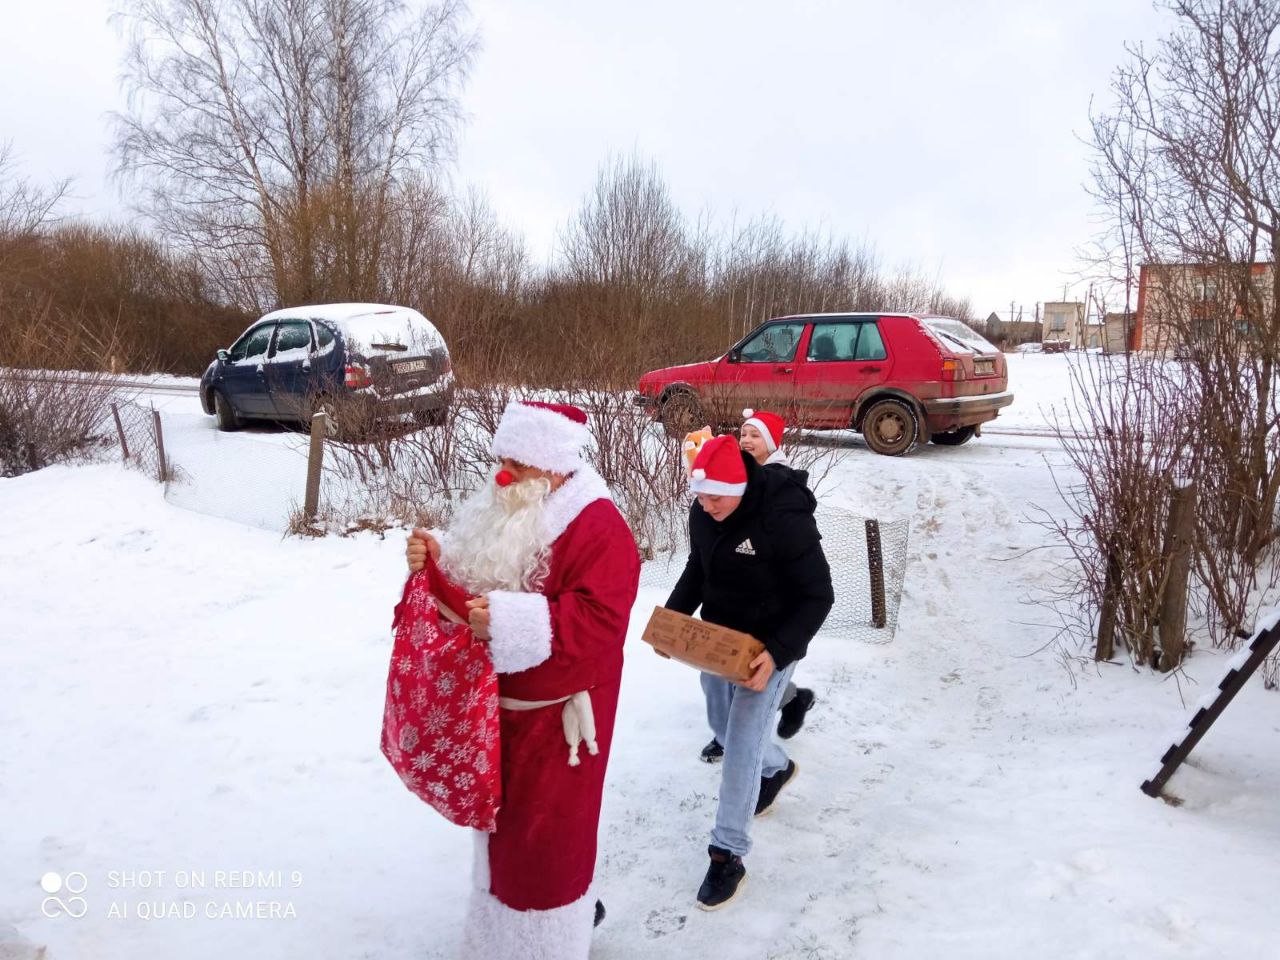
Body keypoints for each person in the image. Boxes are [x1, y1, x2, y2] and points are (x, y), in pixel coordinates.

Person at [404, 400, 640, 959]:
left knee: (547, 850)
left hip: (561, 726)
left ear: (553, 465)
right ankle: (496, 943)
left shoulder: (599, 526)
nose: (503, 475)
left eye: (518, 463)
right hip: (500, 715)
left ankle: (546, 946)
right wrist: (438, 560)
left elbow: (603, 621)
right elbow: (480, 581)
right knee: (502, 837)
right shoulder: (516, 503)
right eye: (502, 459)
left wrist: (512, 622)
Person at [665, 434, 834, 910]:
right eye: (700, 496)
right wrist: (672, 622)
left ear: (737, 488)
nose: (706, 505)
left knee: (741, 740)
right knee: (720, 722)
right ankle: (777, 767)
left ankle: (727, 854)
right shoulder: (705, 510)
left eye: (714, 497)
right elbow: (698, 566)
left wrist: (777, 654)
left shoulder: (783, 518)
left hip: (773, 641)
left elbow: (818, 596)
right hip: (723, 640)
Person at [698, 409, 818, 764]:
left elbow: (811, 582)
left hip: (770, 610)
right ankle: (789, 701)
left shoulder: (781, 484)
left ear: (772, 443)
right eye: (743, 434)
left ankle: (749, 749)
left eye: (755, 435)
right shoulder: (730, 483)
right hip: (733, 606)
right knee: (726, 674)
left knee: (751, 678)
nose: (747, 441)